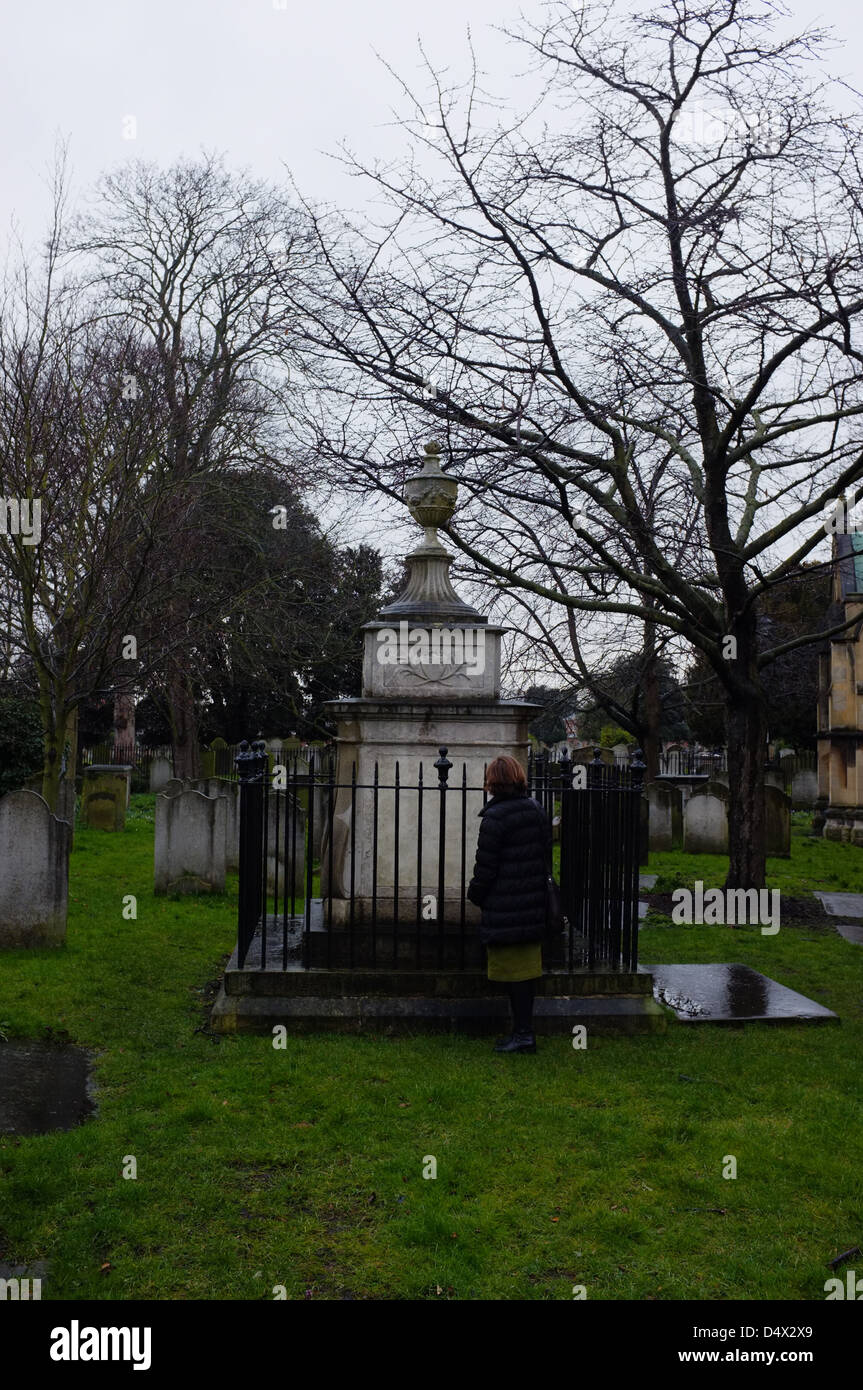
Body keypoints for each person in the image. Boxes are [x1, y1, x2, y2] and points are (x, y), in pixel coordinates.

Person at [467, 754, 551, 1054]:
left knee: (515, 973)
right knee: (526, 972)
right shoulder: (536, 809)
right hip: (532, 902)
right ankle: (523, 1032)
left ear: (492, 782)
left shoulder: (495, 817)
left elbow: (486, 867)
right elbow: (544, 858)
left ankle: (524, 1034)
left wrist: (475, 894)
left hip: (507, 905)